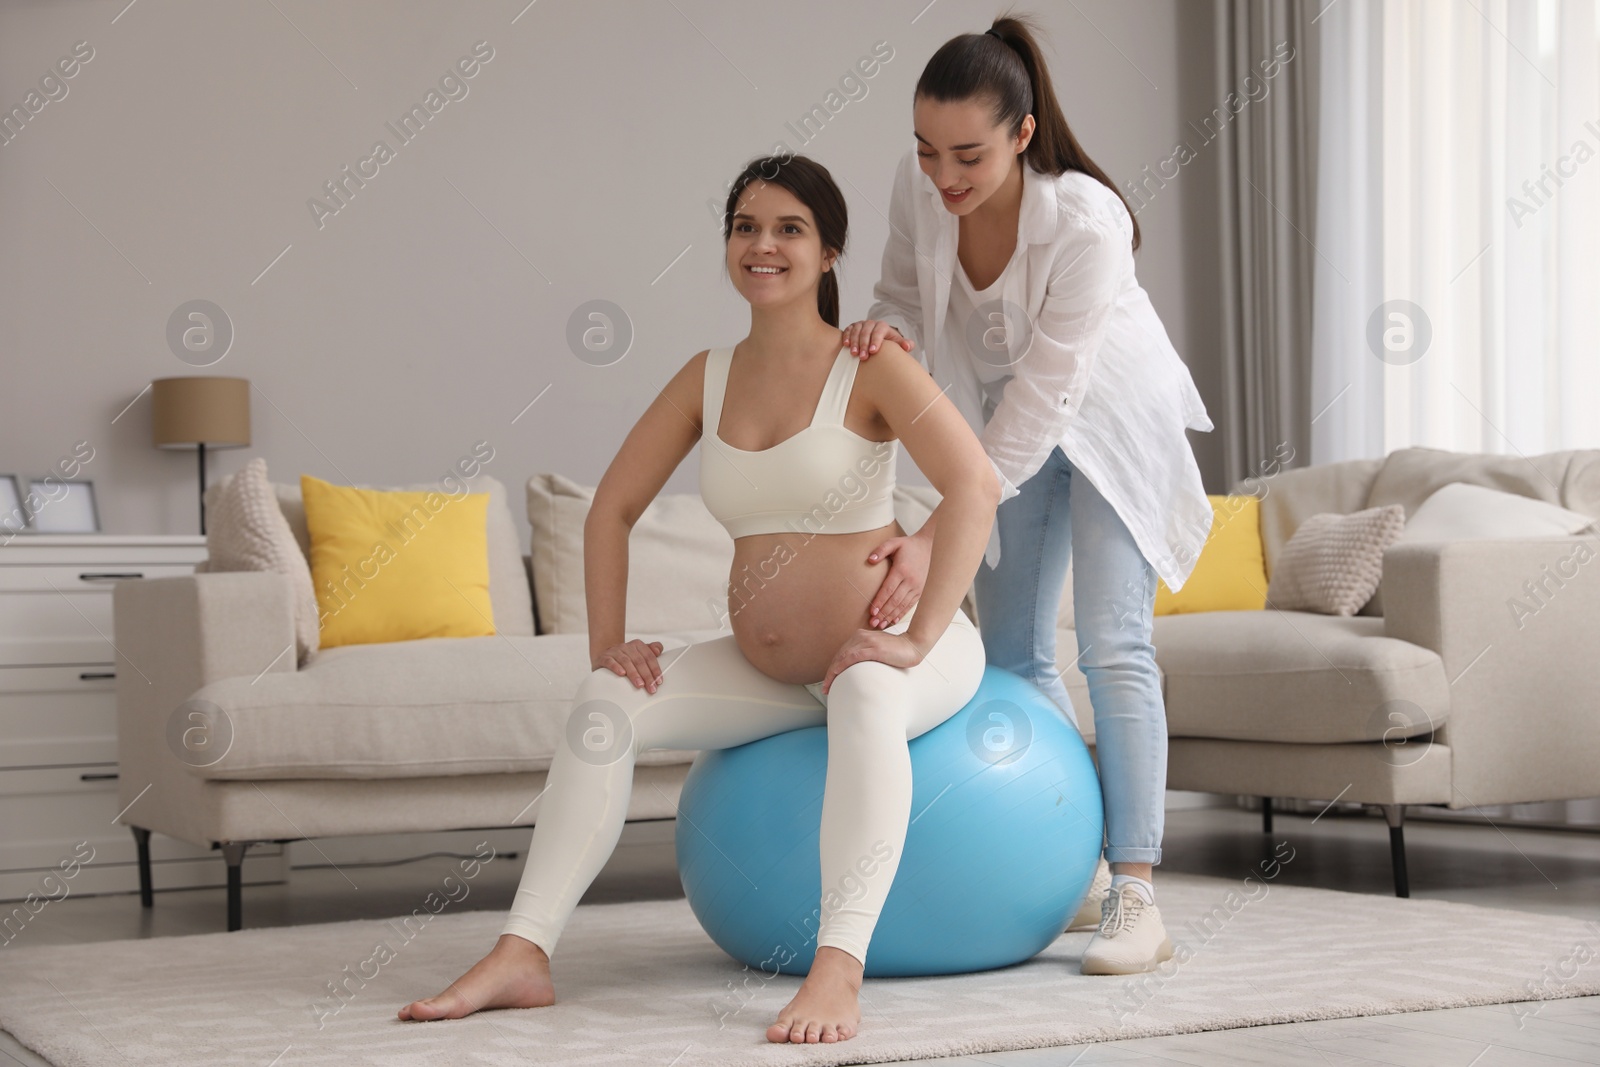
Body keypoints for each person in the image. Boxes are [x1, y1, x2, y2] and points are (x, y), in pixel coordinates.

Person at [399, 153, 1000, 1044]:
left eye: (789, 228)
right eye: (745, 227)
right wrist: (609, 643)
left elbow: (977, 483)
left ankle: (838, 968)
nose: (764, 245)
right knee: (605, 702)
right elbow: (612, 507)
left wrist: (915, 641)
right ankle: (523, 952)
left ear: (830, 251)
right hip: (776, 675)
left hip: (896, 658)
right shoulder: (707, 375)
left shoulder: (869, 363)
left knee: (865, 688)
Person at [840, 12, 1214, 977]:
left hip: (1104, 417)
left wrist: (938, 523)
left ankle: (1137, 891)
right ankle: (1073, 864)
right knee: (1009, 653)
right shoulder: (918, 189)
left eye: (966, 153)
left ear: (1022, 130)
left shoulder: (1087, 220)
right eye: (926, 151)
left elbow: (1052, 394)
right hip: (1002, 427)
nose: (943, 176)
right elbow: (896, 297)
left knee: (1112, 643)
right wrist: (883, 339)